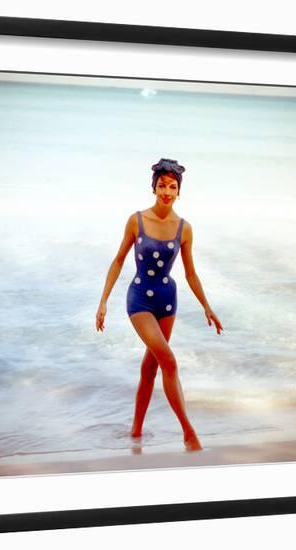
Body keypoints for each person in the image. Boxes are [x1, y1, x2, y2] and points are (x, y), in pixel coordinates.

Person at [95, 158, 223, 451]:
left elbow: (190, 273)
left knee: (151, 367)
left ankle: (136, 432)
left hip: (168, 300)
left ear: (179, 191)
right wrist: (103, 301)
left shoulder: (185, 228)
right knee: (169, 360)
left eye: (173, 186)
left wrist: (207, 306)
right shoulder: (136, 220)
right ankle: (189, 433)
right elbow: (118, 261)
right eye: (162, 185)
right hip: (139, 298)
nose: (167, 191)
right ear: (154, 188)